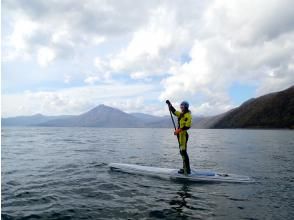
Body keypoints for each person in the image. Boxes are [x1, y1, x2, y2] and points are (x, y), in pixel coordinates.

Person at [166, 100, 192, 175]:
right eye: (180, 106)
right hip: (180, 135)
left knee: (183, 152)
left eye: (182, 106)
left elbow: (187, 126)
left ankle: (187, 170)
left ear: (186, 107)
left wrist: (178, 131)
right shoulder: (181, 114)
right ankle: (185, 168)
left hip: (183, 136)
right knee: (182, 152)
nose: (181, 107)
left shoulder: (188, 115)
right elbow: (174, 112)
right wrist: (169, 105)